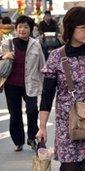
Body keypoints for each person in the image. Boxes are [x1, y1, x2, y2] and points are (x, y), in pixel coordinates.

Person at [35, 7, 85, 171]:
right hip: (67, 125)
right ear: (71, 28)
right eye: (83, 27)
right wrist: (42, 127)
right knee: (69, 168)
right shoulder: (56, 57)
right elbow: (47, 95)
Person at [0, 15, 45, 152]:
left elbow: (42, 66)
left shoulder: (36, 44)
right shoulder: (8, 43)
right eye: (20, 26)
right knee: (15, 113)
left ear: (31, 29)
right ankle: (18, 141)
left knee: (32, 110)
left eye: (26, 27)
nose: (23, 29)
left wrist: (46, 84)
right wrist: (3, 56)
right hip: (11, 85)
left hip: (30, 83)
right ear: (16, 28)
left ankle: (32, 137)